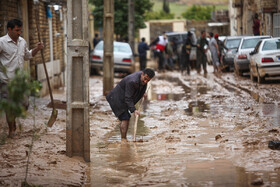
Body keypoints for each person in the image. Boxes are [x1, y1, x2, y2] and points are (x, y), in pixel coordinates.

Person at [0, 19, 44, 138]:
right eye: (17, 30)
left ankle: (13, 122)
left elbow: (28, 56)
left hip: (20, 82)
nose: (19, 32)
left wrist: (37, 49)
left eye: (20, 30)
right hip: (6, 81)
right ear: (9, 29)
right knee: (10, 106)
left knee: (24, 104)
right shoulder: (2, 42)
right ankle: (11, 130)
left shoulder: (22, 41)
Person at [106, 68, 155, 140]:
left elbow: (140, 88)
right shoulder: (132, 81)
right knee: (125, 117)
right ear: (142, 74)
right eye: (144, 79)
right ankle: (123, 139)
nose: (145, 81)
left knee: (125, 117)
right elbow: (128, 98)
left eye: (148, 80)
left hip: (123, 98)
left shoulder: (142, 79)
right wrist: (134, 110)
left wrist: (142, 93)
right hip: (116, 98)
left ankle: (123, 138)